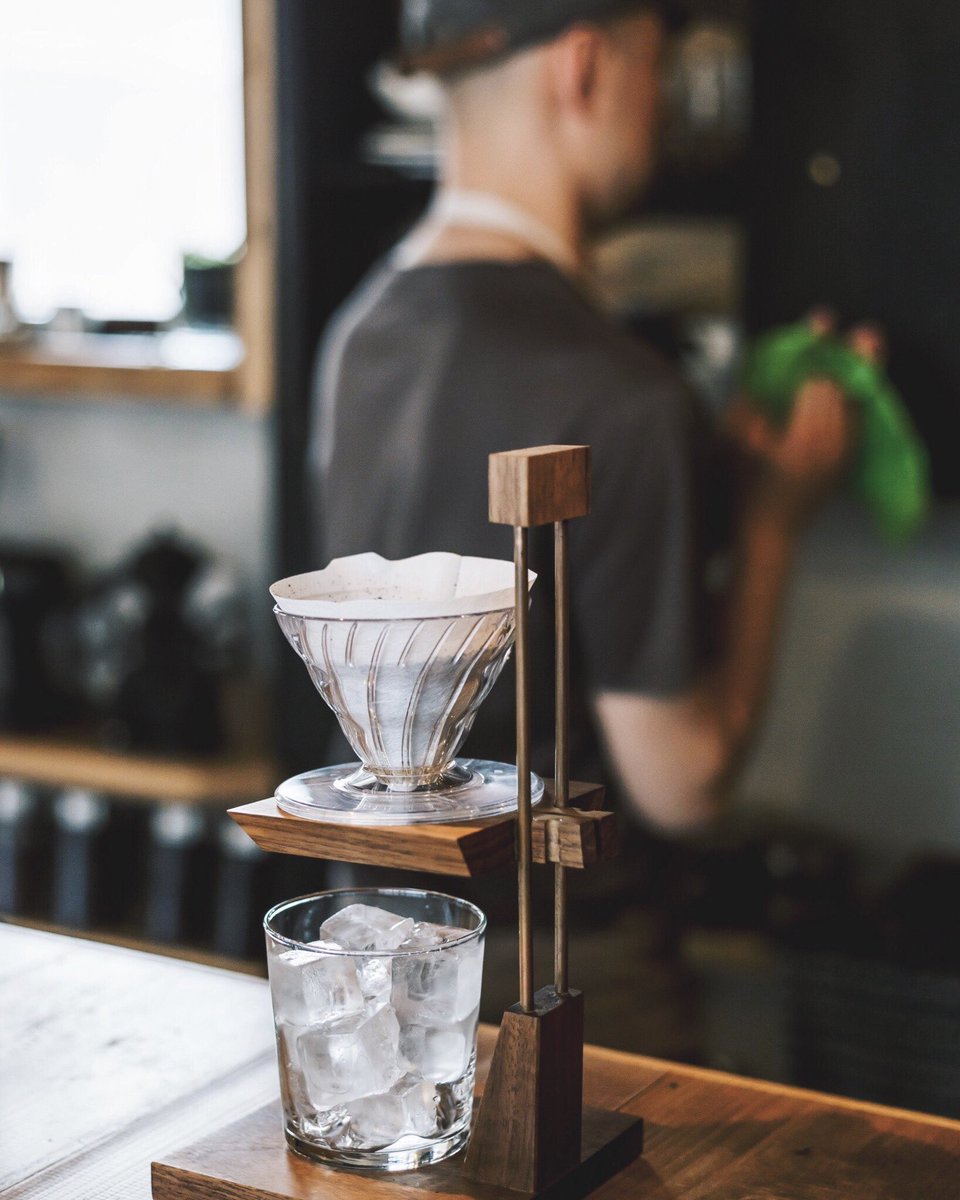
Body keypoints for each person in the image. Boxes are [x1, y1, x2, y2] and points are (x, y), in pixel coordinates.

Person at [309, 0, 877, 833]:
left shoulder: (356, 336)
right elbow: (684, 783)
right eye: (655, 64)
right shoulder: (624, 396)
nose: (664, 102)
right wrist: (771, 526)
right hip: (552, 909)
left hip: (375, 897)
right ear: (584, 69)